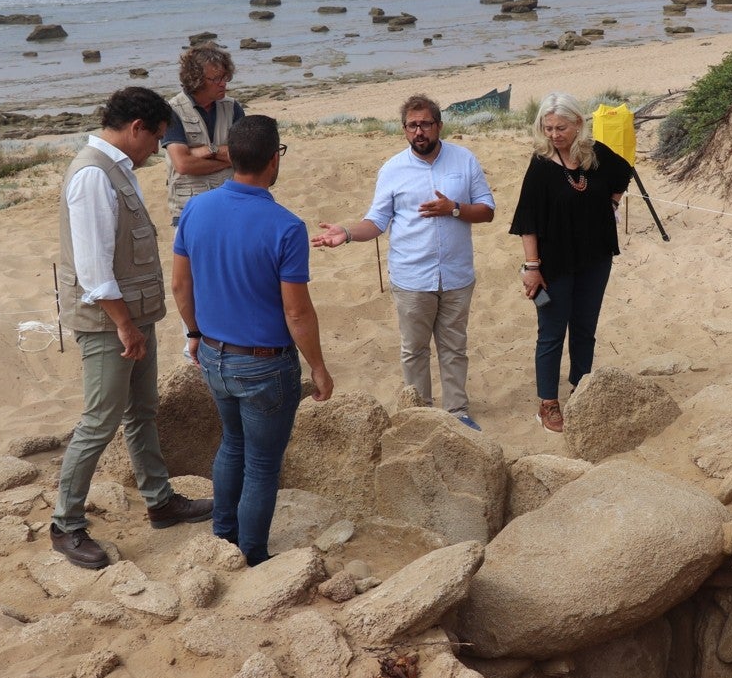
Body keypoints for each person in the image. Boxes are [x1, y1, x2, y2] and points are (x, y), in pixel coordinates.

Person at [53, 87, 213, 570]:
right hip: (109, 322)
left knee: (142, 410)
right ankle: (66, 524)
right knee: (100, 420)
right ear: (136, 128)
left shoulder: (117, 169)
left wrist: (133, 321)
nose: (157, 150)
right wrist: (124, 325)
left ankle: (160, 501)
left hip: (131, 316)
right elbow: (94, 268)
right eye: (157, 138)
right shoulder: (92, 176)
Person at [172, 115, 334, 566]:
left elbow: (181, 286)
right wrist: (318, 367)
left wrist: (194, 334)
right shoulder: (285, 226)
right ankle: (253, 552)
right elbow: (296, 311)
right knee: (262, 464)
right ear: (272, 160)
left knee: (231, 445)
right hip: (264, 363)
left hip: (213, 353)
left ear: (230, 156)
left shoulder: (196, 209)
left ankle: (224, 537)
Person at [311, 94, 495, 431]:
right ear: (404, 130)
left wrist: (454, 208)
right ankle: (421, 414)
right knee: (414, 350)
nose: (419, 131)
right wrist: (347, 233)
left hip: (457, 275)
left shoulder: (464, 160)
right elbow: (377, 222)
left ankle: (457, 413)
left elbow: (487, 210)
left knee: (455, 347)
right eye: (413, 125)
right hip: (412, 278)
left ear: (439, 125)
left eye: (426, 123)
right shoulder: (392, 170)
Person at [510, 92, 632, 433]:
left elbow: (625, 173)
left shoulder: (595, 155)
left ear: (578, 124)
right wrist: (531, 267)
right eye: (547, 128)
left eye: (560, 127)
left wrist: (610, 205)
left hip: (596, 257)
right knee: (551, 332)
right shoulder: (541, 163)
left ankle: (581, 390)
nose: (553, 134)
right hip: (554, 262)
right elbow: (527, 219)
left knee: (584, 328)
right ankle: (548, 402)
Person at [162, 42, 245, 226]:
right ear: (196, 79)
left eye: (225, 77)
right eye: (216, 79)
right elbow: (183, 164)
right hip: (189, 209)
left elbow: (242, 157)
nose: (223, 83)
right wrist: (226, 157)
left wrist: (210, 151)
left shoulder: (232, 107)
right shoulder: (173, 110)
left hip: (228, 205)